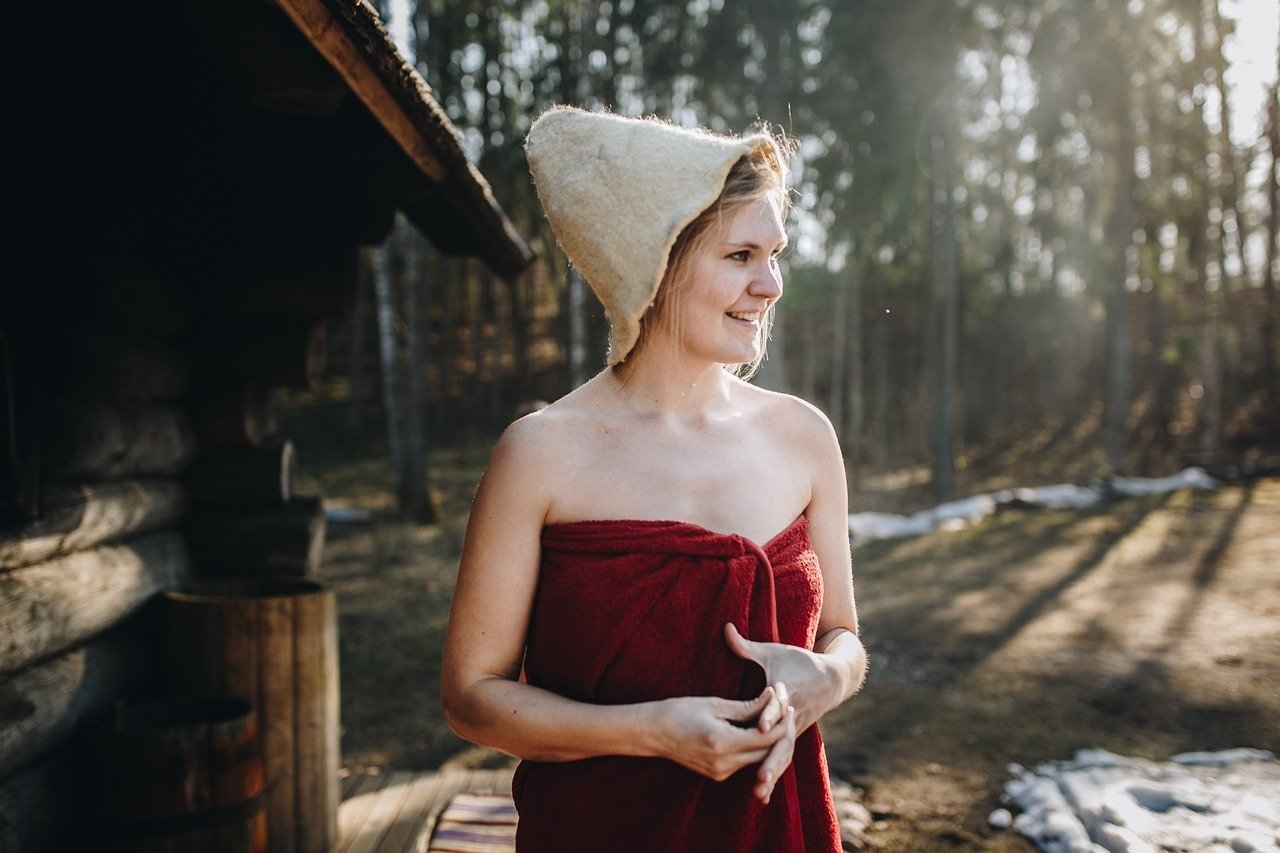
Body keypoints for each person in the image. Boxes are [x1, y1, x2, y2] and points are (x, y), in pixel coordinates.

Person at [441, 105, 867, 852]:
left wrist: (826, 682)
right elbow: (472, 699)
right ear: (657, 261)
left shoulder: (804, 437)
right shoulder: (539, 453)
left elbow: (844, 637)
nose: (769, 285)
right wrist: (647, 731)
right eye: (739, 256)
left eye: (776, 254)